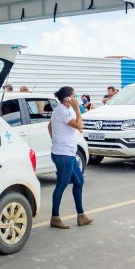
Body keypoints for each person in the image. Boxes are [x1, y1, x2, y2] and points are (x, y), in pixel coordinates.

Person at [47, 86, 92, 230]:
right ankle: (55, 217)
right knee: (61, 185)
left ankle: (81, 215)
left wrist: (56, 139)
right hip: (63, 155)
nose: (76, 98)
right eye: (74, 96)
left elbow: (49, 126)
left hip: (69, 153)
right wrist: (78, 109)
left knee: (79, 181)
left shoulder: (66, 110)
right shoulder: (62, 110)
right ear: (68, 98)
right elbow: (79, 125)